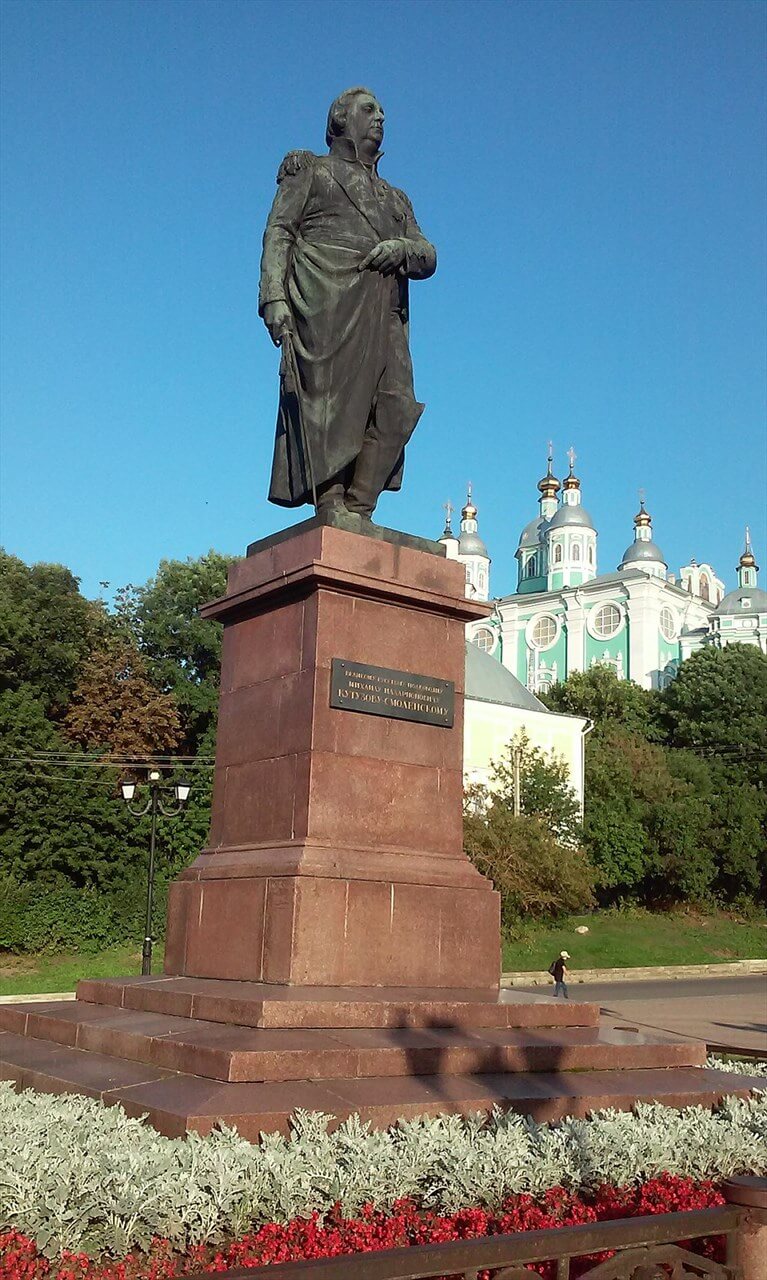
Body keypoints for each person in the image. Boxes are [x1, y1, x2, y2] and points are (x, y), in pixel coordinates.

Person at [259, 87, 437, 521]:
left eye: (382, 112)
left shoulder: (395, 197)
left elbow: (428, 254)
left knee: (397, 407)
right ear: (340, 119)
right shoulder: (313, 172)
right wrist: (274, 298)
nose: (381, 117)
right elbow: (280, 230)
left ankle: (359, 507)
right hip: (326, 302)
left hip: (383, 310)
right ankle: (332, 501)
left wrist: (402, 249)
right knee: (332, 405)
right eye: (369, 110)